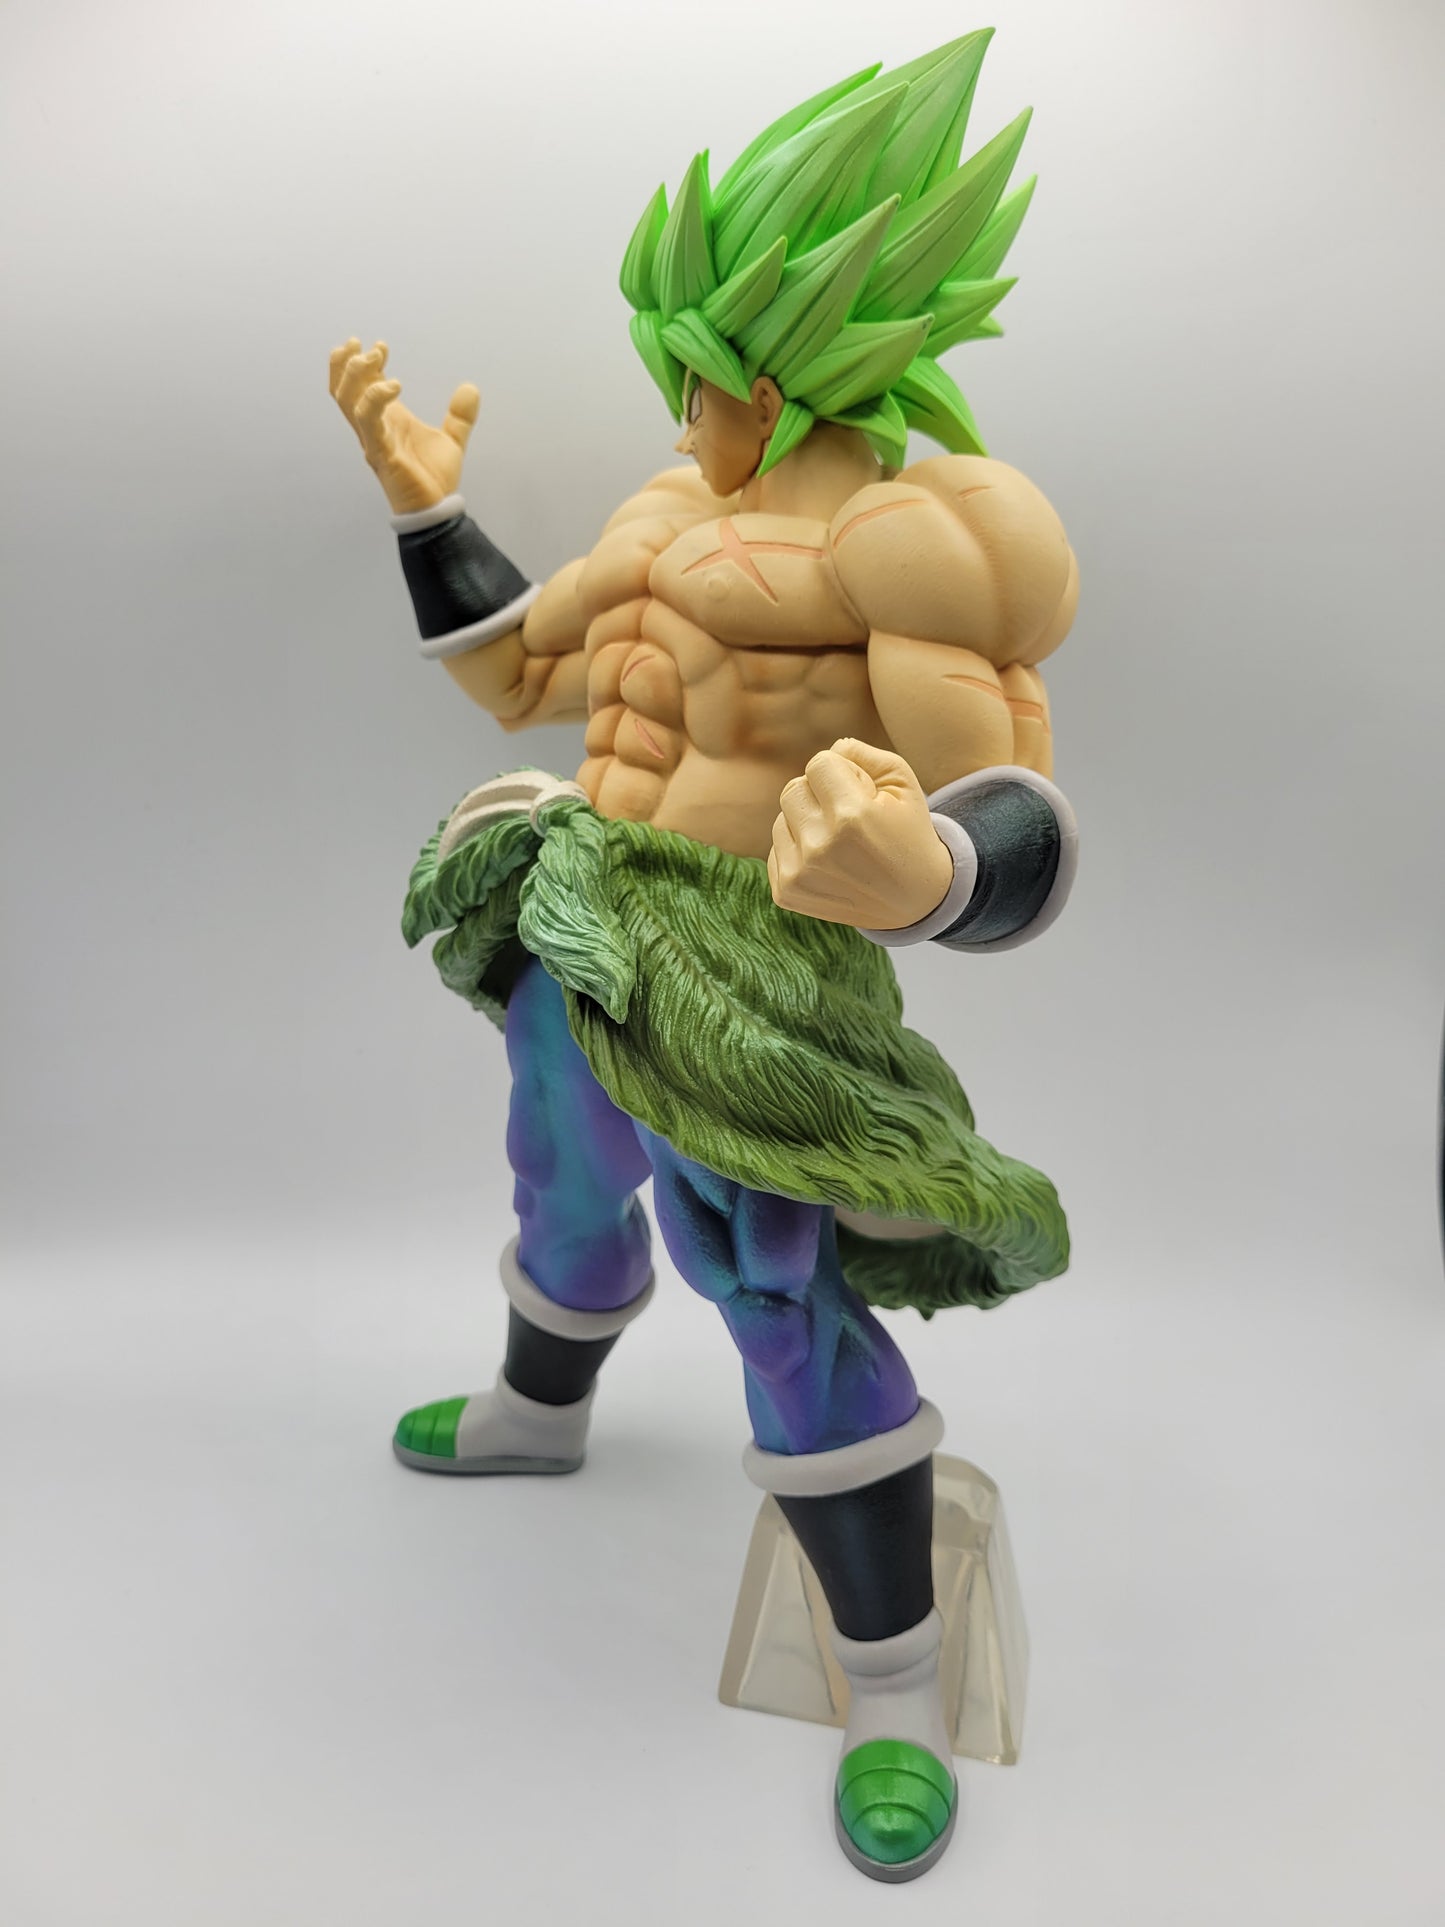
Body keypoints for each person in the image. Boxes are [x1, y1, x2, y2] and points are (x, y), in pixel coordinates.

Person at [329, 31, 1078, 1883]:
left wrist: (919, 871)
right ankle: (538, 1412)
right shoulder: (669, 513)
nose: (675, 413)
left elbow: (1015, 808)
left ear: (769, 370)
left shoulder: (909, 543)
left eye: (692, 374)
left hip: (750, 967)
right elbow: (521, 672)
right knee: (560, 1167)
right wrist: (426, 508)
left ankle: (891, 1682)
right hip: (583, 899)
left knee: (763, 1272)